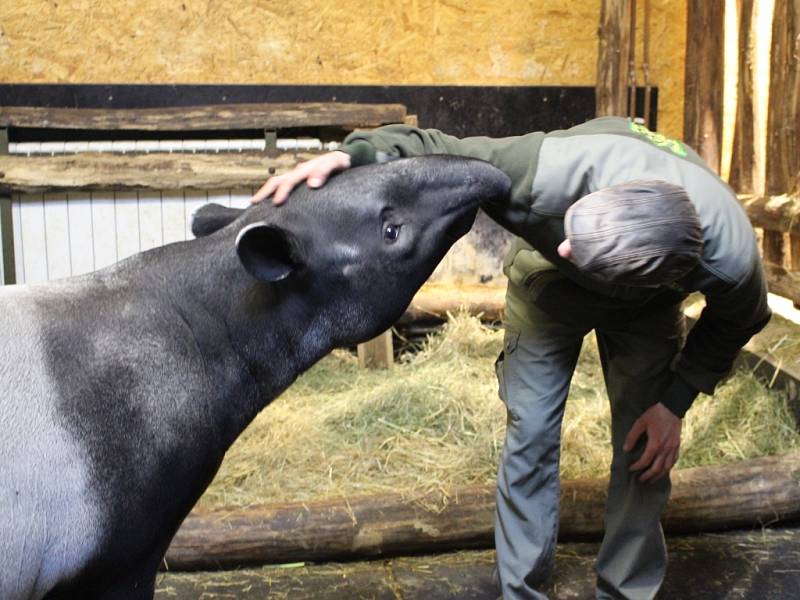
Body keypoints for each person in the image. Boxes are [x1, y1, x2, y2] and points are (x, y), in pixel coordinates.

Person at [250, 116, 771, 600]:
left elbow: (737, 321)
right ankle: (521, 590)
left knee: (645, 447)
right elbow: (439, 150)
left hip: (646, 308)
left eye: (586, 253)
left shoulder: (730, 261)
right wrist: (355, 154)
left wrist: (673, 405)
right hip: (548, 277)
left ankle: (626, 588)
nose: (572, 249)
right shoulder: (543, 174)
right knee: (532, 430)